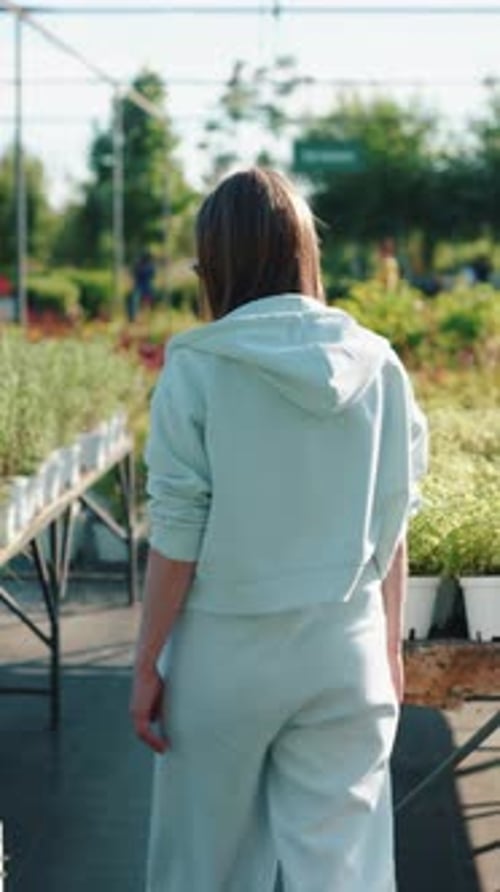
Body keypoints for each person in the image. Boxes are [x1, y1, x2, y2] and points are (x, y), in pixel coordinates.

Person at [130, 167, 428, 892]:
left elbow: (179, 535)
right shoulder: (379, 365)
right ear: (306, 254)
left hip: (224, 656)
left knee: (205, 871)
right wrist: (388, 649)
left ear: (216, 265)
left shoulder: (197, 367)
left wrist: (147, 664)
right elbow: (393, 522)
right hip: (345, 649)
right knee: (347, 874)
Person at [128, 251, 156, 321]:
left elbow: (152, 275)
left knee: (146, 302)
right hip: (141, 286)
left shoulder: (148, 265)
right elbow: (134, 273)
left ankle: (146, 316)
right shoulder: (140, 264)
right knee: (136, 302)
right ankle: (135, 317)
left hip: (144, 286)